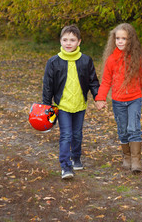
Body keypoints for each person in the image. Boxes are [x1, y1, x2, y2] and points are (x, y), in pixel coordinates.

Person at [95, 23, 142, 173]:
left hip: (135, 100)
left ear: (131, 40)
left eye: (124, 38)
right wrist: (100, 98)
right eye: (118, 38)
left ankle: (136, 160)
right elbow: (106, 81)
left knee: (133, 128)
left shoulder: (138, 59)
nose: (120, 41)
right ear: (114, 40)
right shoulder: (111, 60)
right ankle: (127, 156)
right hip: (118, 101)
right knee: (123, 130)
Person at [42, 24, 100, 179]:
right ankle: (65, 167)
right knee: (66, 135)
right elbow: (47, 86)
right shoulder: (53, 62)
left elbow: (93, 81)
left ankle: (76, 158)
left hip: (80, 104)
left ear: (79, 42)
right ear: (60, 41)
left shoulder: (86, 60)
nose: (69, 43)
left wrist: (98, 97)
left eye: (72, 40)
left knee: (77, 134)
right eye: (65, 39)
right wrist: (46, 108)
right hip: (62, 106)